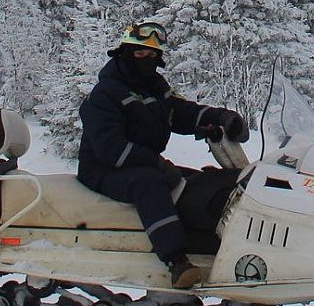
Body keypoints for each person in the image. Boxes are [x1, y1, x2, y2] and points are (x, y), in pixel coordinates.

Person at [77, 21, 249, 289]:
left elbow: (181, 112)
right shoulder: (106, 94)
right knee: (151, 184)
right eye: (140, 54)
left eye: (152, 55)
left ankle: (218, 240)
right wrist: (156, 162)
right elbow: (110, 149)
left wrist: (222, 117)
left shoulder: (153, 87)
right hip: (103, 168)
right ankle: (177, 261)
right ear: (125, 53)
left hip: (140, 161)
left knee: (199, 182)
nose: (147, 60)